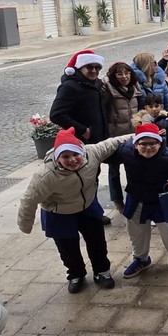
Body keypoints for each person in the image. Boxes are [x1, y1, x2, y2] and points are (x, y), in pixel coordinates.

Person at [17, 127, 131, 293]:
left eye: (75, 154)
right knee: (67, 248)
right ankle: (75, 275)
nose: (72, 160)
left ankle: (102, 271)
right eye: (65, 156)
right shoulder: (45, 175)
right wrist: (25, 225)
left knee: (97, 242)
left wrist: (140, 135)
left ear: (82, 152)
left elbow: (113, 143)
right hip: (59, 213)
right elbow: (29, 200)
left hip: (87, 207)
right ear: (57, 157)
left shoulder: (92, 153)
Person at [112, 123, 168, 278]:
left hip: (162, 201)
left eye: (152, 143)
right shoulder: (126, 151)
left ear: (159, 143)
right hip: (136, 198)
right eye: (143, 144)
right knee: (136, 233)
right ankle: (141, 259)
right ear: (135, 144)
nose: (148, 148)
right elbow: (106, 155)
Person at [50, 49, 111, 225]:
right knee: (82, 180)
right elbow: (56, 114)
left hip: (95, 142)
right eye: (89, 67)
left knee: (92, 178)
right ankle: (84, 213)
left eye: (97, 68)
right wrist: (82, 129)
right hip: (80, 143)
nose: (94, 71)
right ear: (80, 68)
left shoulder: (96, 84)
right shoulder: (70, 87)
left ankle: (92, 211)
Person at [103, 61, 143, 213]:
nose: (124, 77)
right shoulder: (107, 90)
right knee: (114, 170)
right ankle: (117, 200)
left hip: (132, 135)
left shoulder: (136, 87)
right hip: (114, 135)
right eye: (119, 74)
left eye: (127, 73)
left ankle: (134, 198)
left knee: (133, 167)